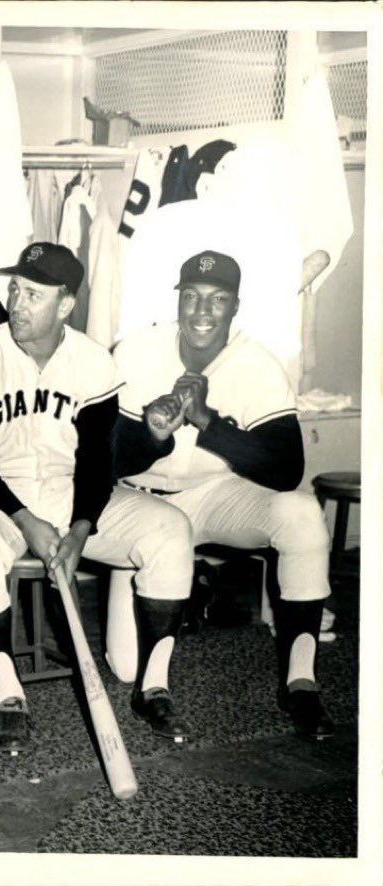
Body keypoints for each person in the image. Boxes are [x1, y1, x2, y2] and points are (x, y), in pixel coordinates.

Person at [0, 242, 196, 754]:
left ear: (66, 304)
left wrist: (80, 529)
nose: (16, 303)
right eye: (14, 289)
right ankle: (9, 696)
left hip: (70, 489)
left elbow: (99, 461)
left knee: (170, 527)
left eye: (33, 294)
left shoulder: (92, 361)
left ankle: (154, 686)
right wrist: (25, 519)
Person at [111, 249, 334, 740]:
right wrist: (153, 433)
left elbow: (286, 470)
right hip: (137, 502)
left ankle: (301, 682)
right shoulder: (135, 352)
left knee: (300, 513)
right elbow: (105, 461)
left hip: (214, 494)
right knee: (125, 665)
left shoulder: (258, 363)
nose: (202, 311)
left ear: (235, 306)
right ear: (177, 302)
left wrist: (208, 422)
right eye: (191, 296)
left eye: (217, 299)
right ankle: (162, 650)